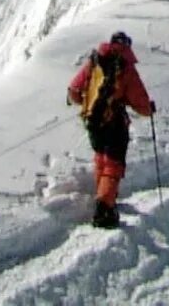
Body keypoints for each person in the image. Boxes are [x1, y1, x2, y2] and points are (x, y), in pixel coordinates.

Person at [65, 29, 155, 228]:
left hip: (92, 122)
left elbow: (74, 90)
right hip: (114, 124)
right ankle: (105, 208)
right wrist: (149, 109)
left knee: (101, 159)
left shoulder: (95, 60)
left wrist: (88, 105)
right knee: (113, 164)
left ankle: (103, 196)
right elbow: (140, 101)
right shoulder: (126, 67)